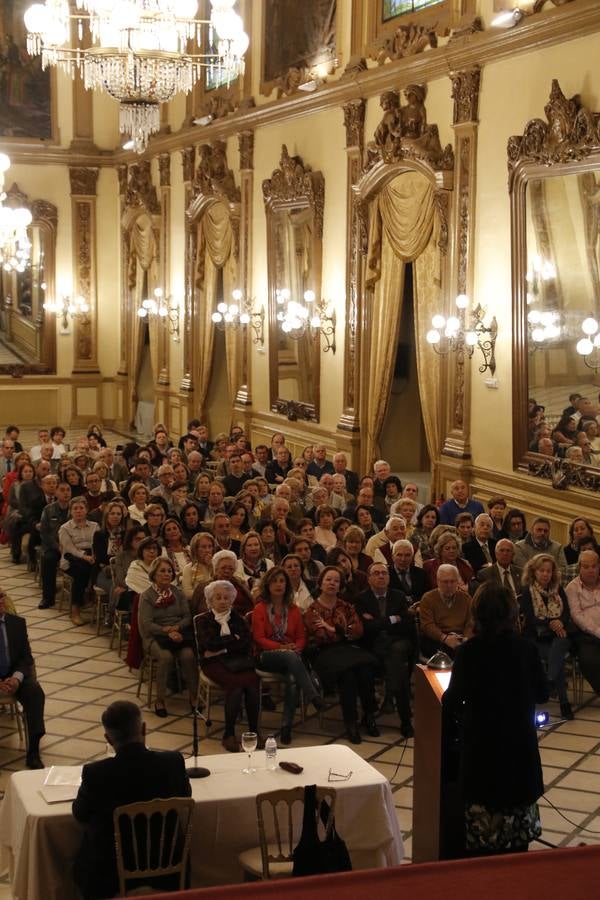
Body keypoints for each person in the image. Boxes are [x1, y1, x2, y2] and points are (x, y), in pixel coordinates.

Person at [442, 583, 548, 857]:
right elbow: (543, 693)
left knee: (482, 848)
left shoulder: (469, 651)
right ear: (512, 613)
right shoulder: (526, 649)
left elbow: (451, 701)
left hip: (482, 752)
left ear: (477, 612)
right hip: (518, 750)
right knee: (517, 848)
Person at [72, 700, 191, 900]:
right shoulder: (172, 763)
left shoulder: (96, 774)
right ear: (143, 729)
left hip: (111, 877)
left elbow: (80, 814)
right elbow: (185, 796)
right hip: (168, 872)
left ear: (108, 739)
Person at [304, 566, 379, 744]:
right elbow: (321, 636)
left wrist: (333, 629)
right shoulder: (312, 610)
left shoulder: (346, 606)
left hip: (348, 650)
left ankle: (369, 716)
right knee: (348, 676)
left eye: (336, 581)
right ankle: (350, 722)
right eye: (328, 580)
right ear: (320, 583)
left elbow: (358, 630)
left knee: (365, 671)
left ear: (340, 586)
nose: (332, 583)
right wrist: (342, 631)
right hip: (325, 653)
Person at [252, 567, 323, 745]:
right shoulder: (260, 609)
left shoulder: (293, 609)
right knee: (290, 657)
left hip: (291, 656)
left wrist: (296, 649)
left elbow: (301, 637)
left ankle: (286, 726)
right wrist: (282, 648)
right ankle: (313, 695)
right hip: (266, 655)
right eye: (274, 581)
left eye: (282, 581)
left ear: (287, 585)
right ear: (267, 585)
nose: (278, 585)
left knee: (292, 679)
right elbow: (259, 639)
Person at [195, 580, 260, 752]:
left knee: (253, 682)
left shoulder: (238, 618)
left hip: (238, 662)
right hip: (213, 663)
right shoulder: (203, 620)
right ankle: (229, 734)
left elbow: (246, 642)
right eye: (218, 598)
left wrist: (221, 647)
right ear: (210, 600)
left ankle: (254, 730)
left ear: (232, 599)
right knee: (236, 686)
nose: (223, 601)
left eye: (226, 597)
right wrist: (233, 639)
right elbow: (208, 644)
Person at [354, 562, 417, 736]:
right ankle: (393, 716)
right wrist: (392, 619)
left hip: (396, 643)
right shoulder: (361, 599)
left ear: (389, 577)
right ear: (369, 579)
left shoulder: (399, 596)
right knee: (395, 670)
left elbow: (406, 625)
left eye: (384, 573)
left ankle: (391, 710)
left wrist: (378, 622)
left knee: (396, 654)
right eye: (376, 573)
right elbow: (366, 628)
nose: (381, 576)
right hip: (372, 647)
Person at [138, 557, 198, 717]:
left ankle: (194, 696)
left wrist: (177, 628)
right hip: (155, 636)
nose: (167, 574)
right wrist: (166, 631)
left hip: (177, 633)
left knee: (188, 655)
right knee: (166, 657)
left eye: (169, 571)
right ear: (154, 574)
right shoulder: (147, 596)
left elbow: (187, 616)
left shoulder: (178, 593)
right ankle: (160, 700)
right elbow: (147, 624)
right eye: (162, 571)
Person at [520, 553, 574, 720]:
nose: (545, 574)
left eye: (548, 571)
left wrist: (559, 622)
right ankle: (564, 703)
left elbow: (566, 613)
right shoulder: (527, 591)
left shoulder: (558, 589)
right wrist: (552, 623)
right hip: (536, 637)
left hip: (557, 636)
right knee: (556, 657)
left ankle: (549, 680)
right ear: (534, 572)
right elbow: (531, 619)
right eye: (541, 570)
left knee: (559, 645)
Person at [0, 587, 46, 769]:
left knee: (35, 692)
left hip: (13, 673)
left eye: (2, 596)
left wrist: (16, 679)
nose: (1, 601)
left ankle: (33, 751)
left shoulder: (17, 624)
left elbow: (26, 657)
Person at [59, 497, 99, 626]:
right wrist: (84, 556)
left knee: (96, 568)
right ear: (70, 511)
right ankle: (75, 610)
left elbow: (97, 544)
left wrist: (93, 556)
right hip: (71, 558)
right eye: (75, 508)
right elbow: (69, 548)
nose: (78, 511)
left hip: (92, 555)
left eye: (81, 508)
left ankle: (90, 598)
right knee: (81, 572)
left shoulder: (95, 526)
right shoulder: (65, 528)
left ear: (86, 510)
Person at [419, 564, 474, 658]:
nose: (449, 585)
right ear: (437, 581)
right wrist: (444, 638)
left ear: (457, 581)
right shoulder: (428, 598)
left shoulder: (466, 598)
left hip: (460, 638)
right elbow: (427, 625)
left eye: (452, 581)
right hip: (437, 639)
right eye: (445, 582)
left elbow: (470, 623)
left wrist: (465, 638)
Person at [566, 550, 600, 695]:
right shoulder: (572, 588)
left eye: (594, 566)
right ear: (579, 567)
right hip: (585, 636)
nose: (591, 570)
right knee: (590, 661)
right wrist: (598, 631)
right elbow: (577, 616)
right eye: (586, 567)